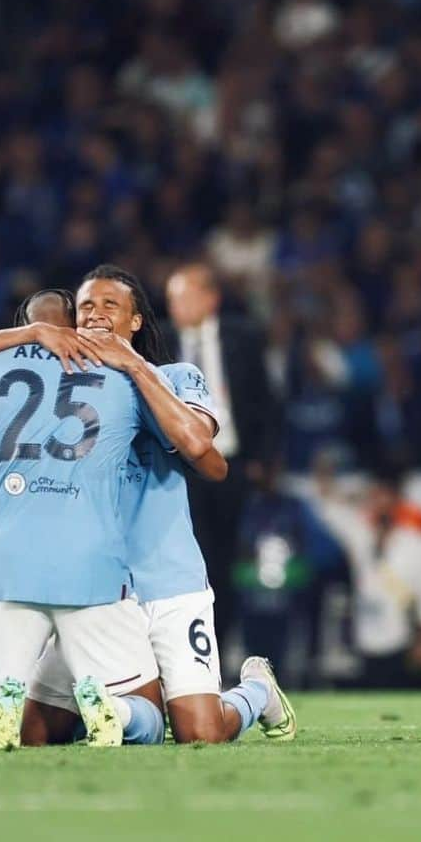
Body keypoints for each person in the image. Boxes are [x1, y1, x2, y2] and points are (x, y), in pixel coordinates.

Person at [0, 268, 297, 745]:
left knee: (201, 733)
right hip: (94, 585)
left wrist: (132, 365)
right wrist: (37, 333)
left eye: (110, 306)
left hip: (166, 580)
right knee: (38, 732)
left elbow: (210, 462)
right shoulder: (67, 384)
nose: (96, 315)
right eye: (86, 307)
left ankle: (255, 691)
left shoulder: (173, 376)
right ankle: (116, 712)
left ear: (137, 321)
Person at [165, 262, 277, 638]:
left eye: (184, 297)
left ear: (211, 299)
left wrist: (263, 461)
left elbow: (266, 402)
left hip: (233, 467)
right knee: (189, 560)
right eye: (172, 299)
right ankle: (185, 644)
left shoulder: (242, 338)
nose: (176, 306)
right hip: (179, 472)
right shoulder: (161, 342)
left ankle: (223, 642)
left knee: (227, 561)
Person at [312, 467, 421, 688]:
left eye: (386, 497)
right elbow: (327, 508)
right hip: (366, 642)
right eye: (375, 497)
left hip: (405, 641)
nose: (380, 504)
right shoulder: (359, 535)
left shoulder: (419, 544)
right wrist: (334, 482)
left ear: (398, 501)